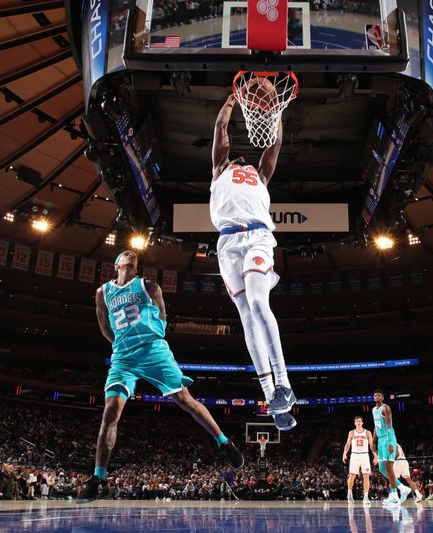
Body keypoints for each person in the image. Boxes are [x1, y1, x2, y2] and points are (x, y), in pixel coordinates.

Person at [81, 250, 244, 501]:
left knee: (183, 399)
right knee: (110, 411)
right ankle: (98, 476)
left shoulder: (148, 285)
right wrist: (122, 345)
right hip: (124, 357)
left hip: (153, 349)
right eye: (125, 254)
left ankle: (223, 442)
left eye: (133, 255)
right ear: (116, 265)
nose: (130, 254)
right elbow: (104, 327)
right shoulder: (102, 292)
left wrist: (148, 336)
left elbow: (163, 317)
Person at [210, 94, 296, 431]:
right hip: (227, 243)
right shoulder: (220, 169)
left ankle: (285, 384)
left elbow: (274, 143)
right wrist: (231, 99)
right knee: (246, 316)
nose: (241, 161)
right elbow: (220, 128)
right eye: (237, 159)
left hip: (257, 237)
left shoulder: (260, 175)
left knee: (260, 304)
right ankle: (273, 400)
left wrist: (275, 111)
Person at [370, 389, 411, 506]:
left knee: (388, 467)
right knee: (382, 468)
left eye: (378, 395)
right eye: (375, 395)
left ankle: (394, 495)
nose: (376, 396)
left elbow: (388, 425)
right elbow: (376, 425)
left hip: (389, 438)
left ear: (382, 398)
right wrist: (373, 440)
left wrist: (389, 443)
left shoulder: (385, 408)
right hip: (380, 439)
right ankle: (403, 488)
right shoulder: (373, 410)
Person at [342, 416, 373, 504]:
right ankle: (349, 493)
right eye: (357, 421)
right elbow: (348, 444)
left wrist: (375, 455)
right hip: (354, 455)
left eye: (360, 421)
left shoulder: (367, 432)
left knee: (366, 476)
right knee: (352, 476)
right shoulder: (351, 433)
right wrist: (344, 454)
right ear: (355, 423)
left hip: (365, 455)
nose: (358, 422)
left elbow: (371, 445)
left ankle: (366, 497)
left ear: (362, 423)